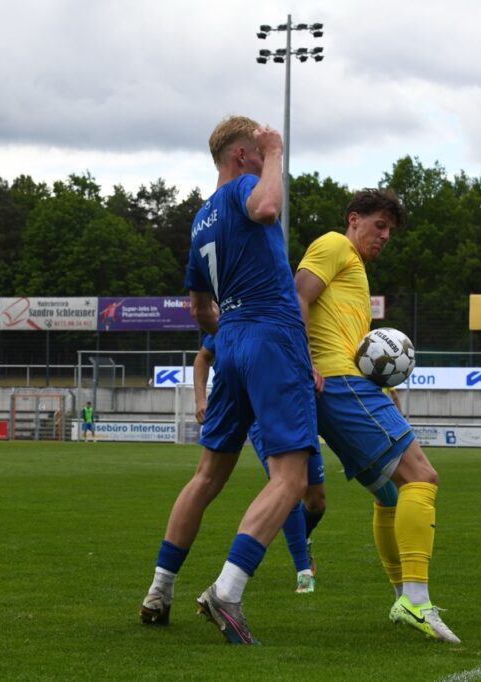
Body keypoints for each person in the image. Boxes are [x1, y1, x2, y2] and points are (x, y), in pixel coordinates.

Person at [139, 115, 320, 645]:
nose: (265, 160)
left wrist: (235, 335)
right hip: (271, 335)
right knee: (291, 478)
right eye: (258, 152)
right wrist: (277, 150)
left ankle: (159, 590)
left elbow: (200, 310)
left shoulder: (199, 220)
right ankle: (227, 590)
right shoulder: (246, 188)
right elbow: (267, 206)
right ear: (241, 155)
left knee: (206, 477)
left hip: (231, 340)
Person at [295, 188, 459, 643]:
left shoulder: (356, 269)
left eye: (390, 230)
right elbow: (297, 296)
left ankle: (402, 598)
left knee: (390, 494)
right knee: (422, 477)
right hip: (340, 382)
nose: (385, 236)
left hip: (348, 385)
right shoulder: (334, 244)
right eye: (379, 225)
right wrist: (304, 361)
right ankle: (417, 600)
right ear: (354, 219)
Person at [192, 334, 326, 594]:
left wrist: (311, 367)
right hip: (261, 417)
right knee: (285, 486)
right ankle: (303, 571)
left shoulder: (284, 318)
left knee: (316, 501)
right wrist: (200, 400)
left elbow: (302, 341)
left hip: (297, 410)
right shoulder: (232, 322)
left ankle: (301, 537)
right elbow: (202, 357)